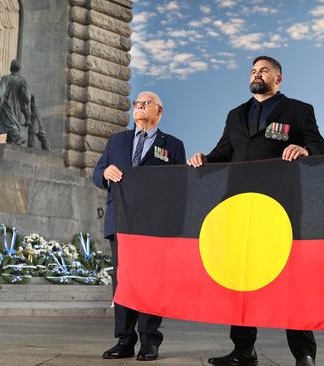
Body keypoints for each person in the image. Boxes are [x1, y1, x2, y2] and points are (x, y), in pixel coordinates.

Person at [188, 56, 324, 366]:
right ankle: (243, 350)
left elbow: (320, 147)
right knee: (241, 280)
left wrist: (305, 150)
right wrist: (205, 160)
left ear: (278, 79)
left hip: (281, 207)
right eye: (253, 70)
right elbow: (225, 150)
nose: (256, 74)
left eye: (264, 70)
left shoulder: (298, 110)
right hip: (238, 206)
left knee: (291, 280)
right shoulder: (235, 114)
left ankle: (304, 352)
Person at [92, 91, 186, 361]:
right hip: (120, 221)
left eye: (146, 103)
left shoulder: (173, 146)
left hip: (154, 227)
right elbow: (97, 173)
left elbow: (180, 188)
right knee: (123, 282)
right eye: (137, 103)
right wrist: (106, 174)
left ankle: (149, 341)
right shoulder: (116, 141)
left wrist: (175, 228)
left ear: (159, 110)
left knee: (151, 283)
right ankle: (124, 340)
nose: (140, 106)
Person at [0, 59, 30, 144]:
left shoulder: (6, 78)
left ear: (10, 68)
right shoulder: (22, 80)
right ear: (19, 69)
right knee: (13, 124)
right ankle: (16, 138)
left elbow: (1, 89)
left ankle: (14, 139)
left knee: (11, 123)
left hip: (7, 105)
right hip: (17, 107)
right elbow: (27, 97)